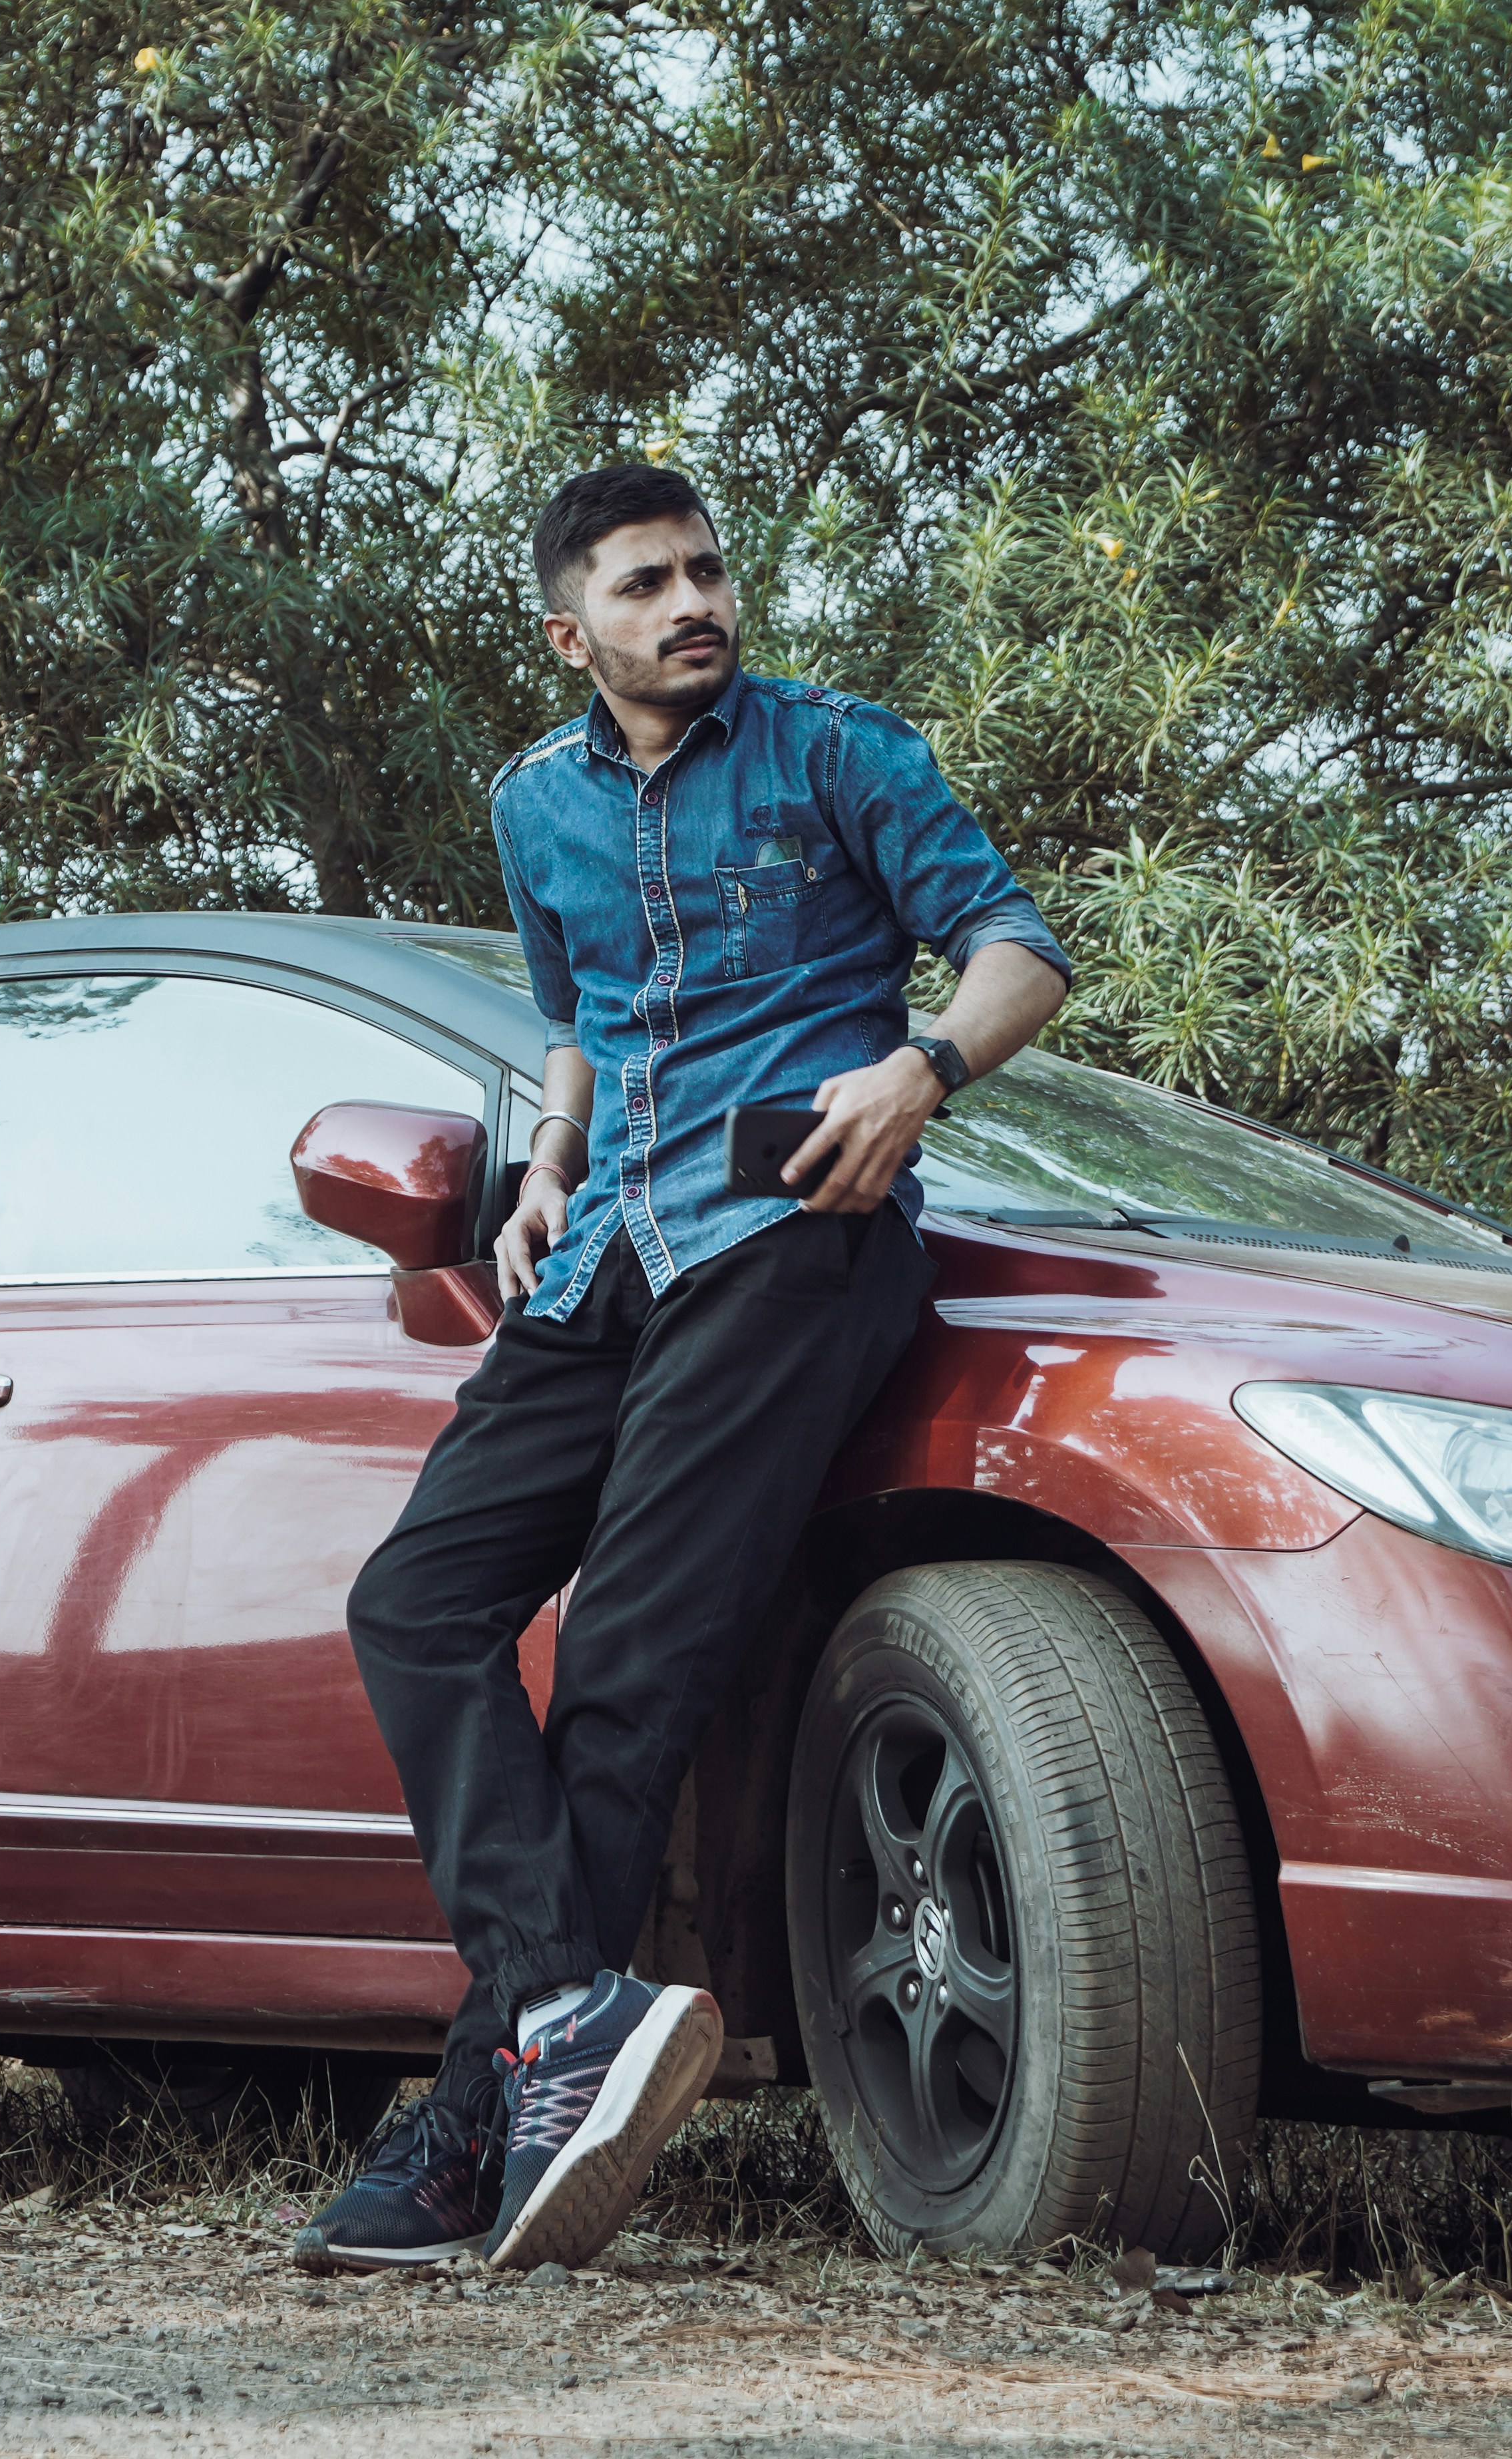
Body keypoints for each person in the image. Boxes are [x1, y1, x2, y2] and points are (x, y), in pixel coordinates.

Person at [295, 461, 1073, 2274]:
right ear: (574, 631)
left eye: (709, 570)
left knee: (630, 1674)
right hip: (605, 1255)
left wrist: (923, 1073)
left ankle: (473, 2116)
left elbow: (1021, 952)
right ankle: (560, 2015)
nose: (694, 602)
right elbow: (576, 1020)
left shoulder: (837, 753)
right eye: (648, 584)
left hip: (791, 1232)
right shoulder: (534, 804)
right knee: (415, 1603)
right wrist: (546, 1164)